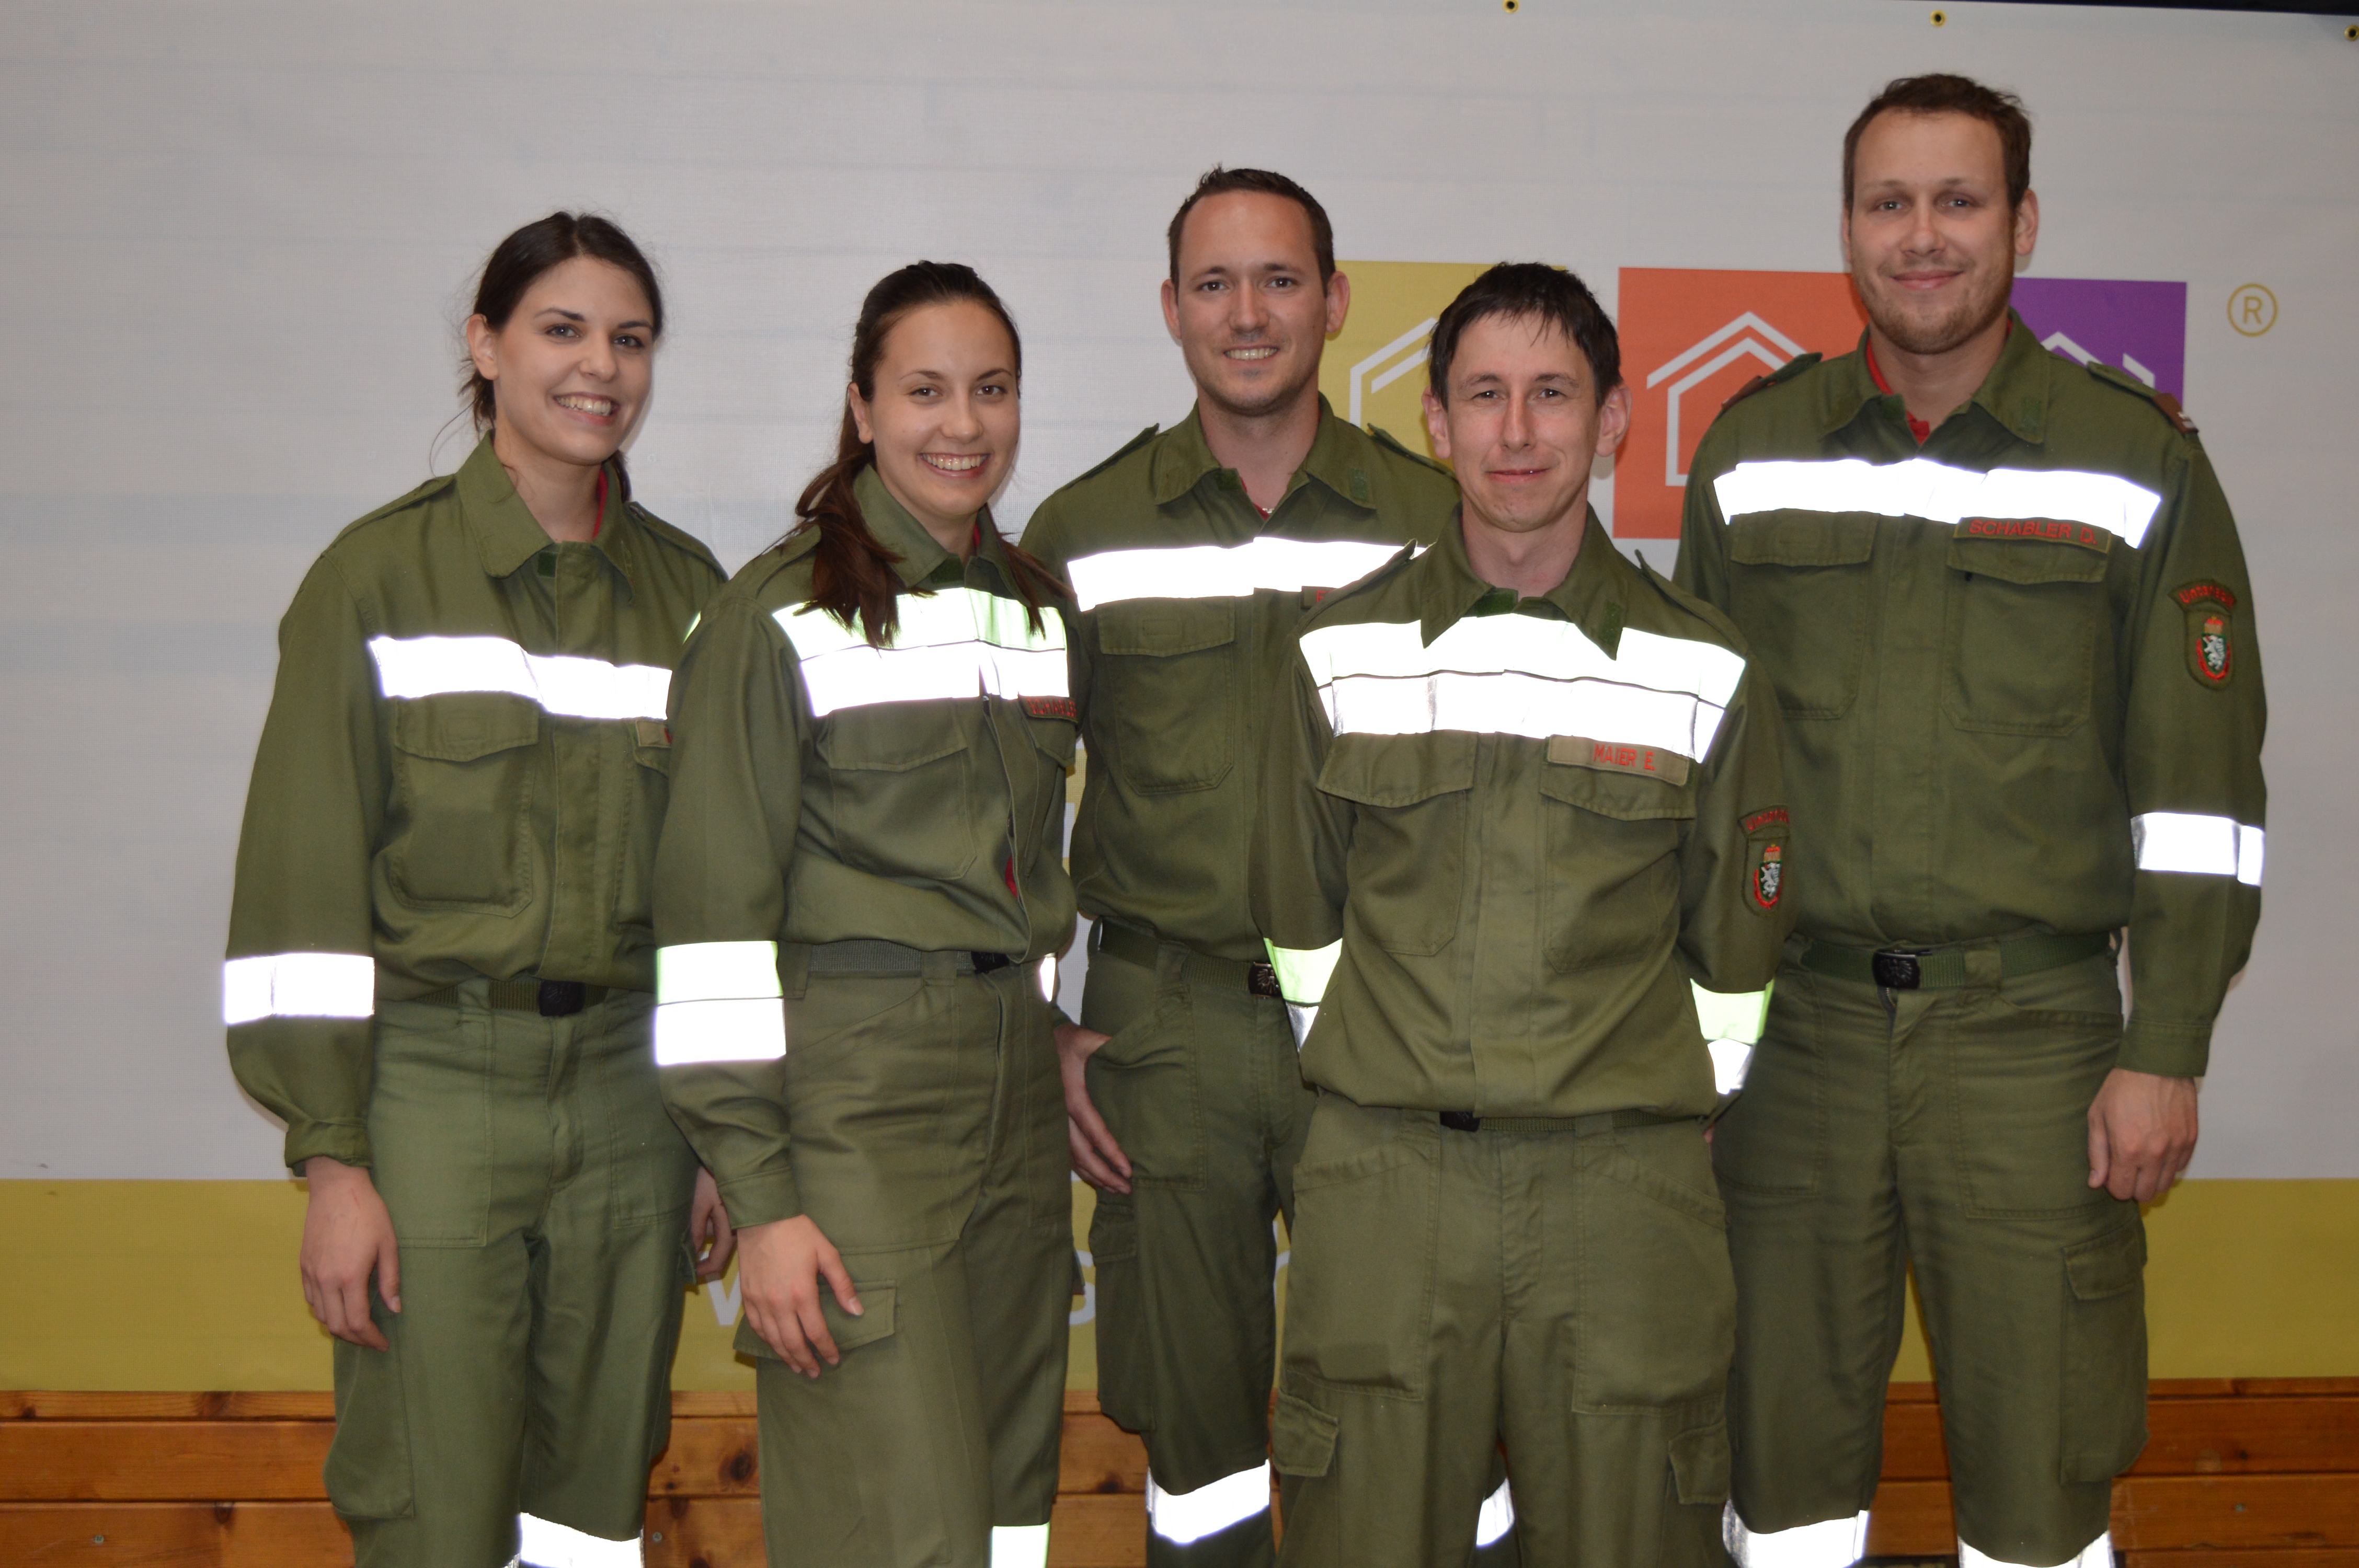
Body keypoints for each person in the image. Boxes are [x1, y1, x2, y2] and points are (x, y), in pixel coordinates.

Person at [1677, 74, 2267, 1568]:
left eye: (1959, 200)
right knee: (1778, 1480)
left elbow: (2201, 795)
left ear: (2024, 223)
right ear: (1847, 230)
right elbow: (1699, 773)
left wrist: (2166, 1046)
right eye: (1890, 203)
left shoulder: (2135, 457)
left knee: (2040, 1495)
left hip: (2034, 1049)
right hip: (1796, 1045)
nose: (1922, 236)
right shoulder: (1749, 452)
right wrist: (1696, 1035)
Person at [1251, 262, 1793, 1566]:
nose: (1517, 431)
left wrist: (1653, 1104)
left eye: (1553, 394)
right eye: (1485, 395)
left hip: (1620, 1194)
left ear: (1614, 420)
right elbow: (1296, 914)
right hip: (1391, 1187)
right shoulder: (1337, 654)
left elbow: (1737, 949)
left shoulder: (1704, 665)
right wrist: (1385, 1075)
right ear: (1434, 421)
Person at [224, 211, 735, 1568]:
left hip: (632, 1103)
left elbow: (720, 898)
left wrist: (715, 1131)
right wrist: (335, 1159)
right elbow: (298, 896)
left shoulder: (692, 596)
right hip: (435, 1093)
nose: (601, 367)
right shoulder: (376, 580)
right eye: (563, 330)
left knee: (595, 1507)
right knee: (432, 1504)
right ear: (486, 345)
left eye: (630, 339)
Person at [1019, 167, 1470, 1568]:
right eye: (1214, 284)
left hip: (1389, 1031)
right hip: (1170, 1032)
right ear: (1170, 309)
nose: (1249, 312)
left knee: (1412, 1402)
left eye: (1280, 279)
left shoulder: (1439, 520)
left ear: (1336, 302)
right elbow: (1005, 809)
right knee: (1199, 1446)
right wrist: (1041, 1028)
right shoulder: (1084, 534)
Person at [651, 261, 1078, 1568]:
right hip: (860, 1107)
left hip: (1014, 1104)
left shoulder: (1035, 606)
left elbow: (1033, 877)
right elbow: (712, 930)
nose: (964, 424)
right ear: (862, 407)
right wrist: (764, 1199)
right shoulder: (776, 615)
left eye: (992, 389)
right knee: (888, 1523)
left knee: (1007, 1507)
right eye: (925, 391)